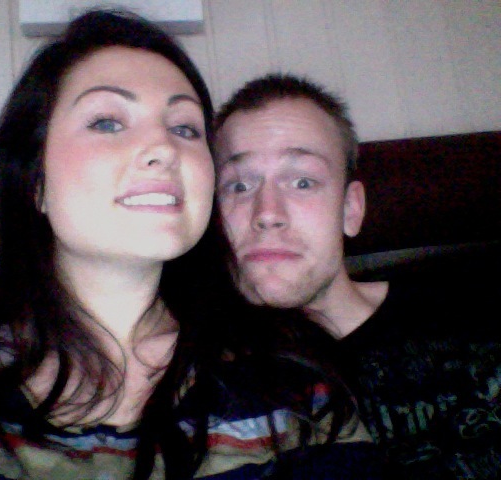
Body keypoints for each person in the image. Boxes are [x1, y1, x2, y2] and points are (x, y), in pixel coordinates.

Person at [0, 11, 382, 479]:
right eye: (107, 122)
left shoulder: (292, 384)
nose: (163, 148)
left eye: (185, 128)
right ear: (35, 182)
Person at [213, 73, 501, 479]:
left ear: (350, 210)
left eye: (302, 182)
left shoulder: (476, 315)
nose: (267, 213)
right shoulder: (184, 370)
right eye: (239, 186)